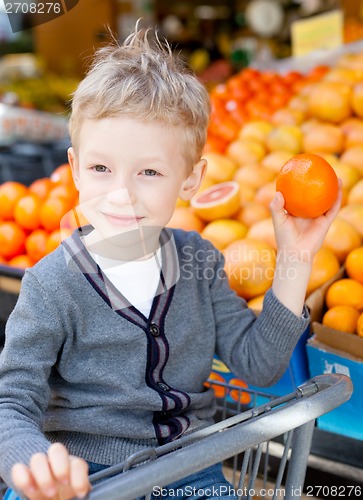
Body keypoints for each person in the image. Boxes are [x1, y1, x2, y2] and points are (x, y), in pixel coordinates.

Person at [0, 25, 342, 500]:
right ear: (75, 169)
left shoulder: (199, 262)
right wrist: (33, 465)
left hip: (188, 473)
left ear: (190, 179)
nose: (121, 193)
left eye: (150, 172)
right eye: (101, 169)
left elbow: (258, 365)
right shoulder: (51, 286)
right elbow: (11, 400)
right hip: (82, 478)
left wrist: (295, 258)